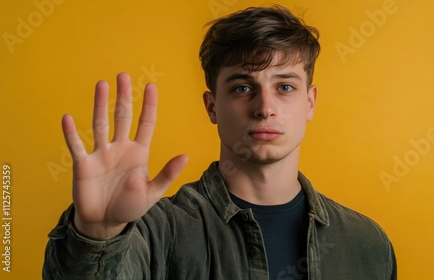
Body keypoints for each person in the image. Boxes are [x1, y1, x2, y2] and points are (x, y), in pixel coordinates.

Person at [43, 5, 397, 280]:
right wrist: (99, 232)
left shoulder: (366, 243)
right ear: (212, 106)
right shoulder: (155, 231)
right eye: (242, 88)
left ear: (310, 102)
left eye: (285, 87)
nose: (264, 108)